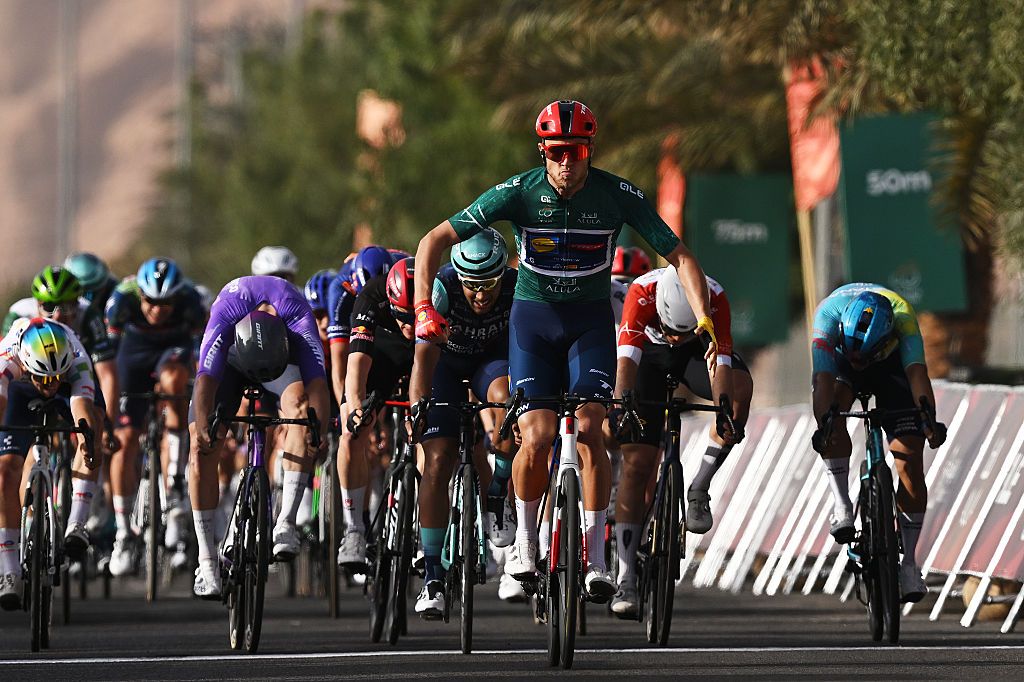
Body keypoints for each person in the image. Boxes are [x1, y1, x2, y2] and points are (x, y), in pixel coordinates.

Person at [413, 100, 717, 602]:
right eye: (556, 152)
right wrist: (425, 306)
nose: (566, 163)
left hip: (588, 326)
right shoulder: (519, 191)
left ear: (590, 150)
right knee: (537, 435)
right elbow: (432, 241)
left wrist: (703, 319)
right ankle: (525, 544)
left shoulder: (616, 195)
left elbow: (681, 257)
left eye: (575, 152)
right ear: (543, 151)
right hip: (532, 324)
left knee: (592, 428)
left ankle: (595, 557)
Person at [610, 267, 752, 616]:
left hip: (696, 350)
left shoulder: (714, 298)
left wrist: (724, 413)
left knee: (737, 395)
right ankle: (625, 577)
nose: (674, 337)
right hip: (646, 356)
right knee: (637, 465)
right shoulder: (641, 293)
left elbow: (721, 363)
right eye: (670, 329)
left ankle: (699, 487)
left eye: (680, 331)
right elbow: (626, 362)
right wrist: (621, 407)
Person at [189, 276, 329, 597]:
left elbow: (318, 385)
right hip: (232, 362)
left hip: (281, 363)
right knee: (200, 449)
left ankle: (286, 523)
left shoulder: (297, 315)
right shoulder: (227, 309)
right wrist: (203, 428)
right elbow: (205, 380)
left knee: (301, 410)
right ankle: (206, 562)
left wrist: (316, 431)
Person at [809, 283, 947, 604]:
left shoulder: (903, 318)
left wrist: (928, 420)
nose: (860, 361)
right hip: (841, 365)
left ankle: (909, 564)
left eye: (864, 357)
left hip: (890, 366)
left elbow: (917, 375)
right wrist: (824, 424)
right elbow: (822, 379)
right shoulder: (828, 315)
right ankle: (842, 505)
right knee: (832, 417)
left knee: (910, 460)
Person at [409, 227, 517, 618]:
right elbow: (423, 358)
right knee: (438, 459)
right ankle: (433, 577)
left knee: (508, 403)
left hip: (493, 363)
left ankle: (497, 496)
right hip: (447, 366)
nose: (481, 294)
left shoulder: (516, 286)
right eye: (473, 285)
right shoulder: (442, 289)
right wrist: (418, 406)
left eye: (489, 284)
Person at [104, 257, 205, 575]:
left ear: (177, 297)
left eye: (165, 303)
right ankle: (123, 532)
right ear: (140, 295)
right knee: (124, 442)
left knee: (175, 383)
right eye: (150, 302)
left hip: (172, 353)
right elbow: (107, 357)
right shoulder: (121, 301)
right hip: (132, 358)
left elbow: (201, 353)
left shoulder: (191, 302)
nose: (158, 310)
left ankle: (174, 479)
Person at [0, 319, 100, 609]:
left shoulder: (77, 361)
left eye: (54, 378)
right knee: (5, 472)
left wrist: (86, 441)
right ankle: (9, 571)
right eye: (43, 379)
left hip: (72, 389)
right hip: (19, 390)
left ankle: (77, 522)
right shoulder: (9, 358)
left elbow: (82, 409)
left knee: (93, 434)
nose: (49, 385)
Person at [335, 257, 418, 570]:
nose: (409, 324)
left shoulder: (438, 292)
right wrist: (356, 409)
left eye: (413, 316)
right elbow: (356, 363)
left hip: (426, 350)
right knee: (350, 435)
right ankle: (354, 529)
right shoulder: (371, 295)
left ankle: (427, 531)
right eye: (402, 316)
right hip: (382, 353)